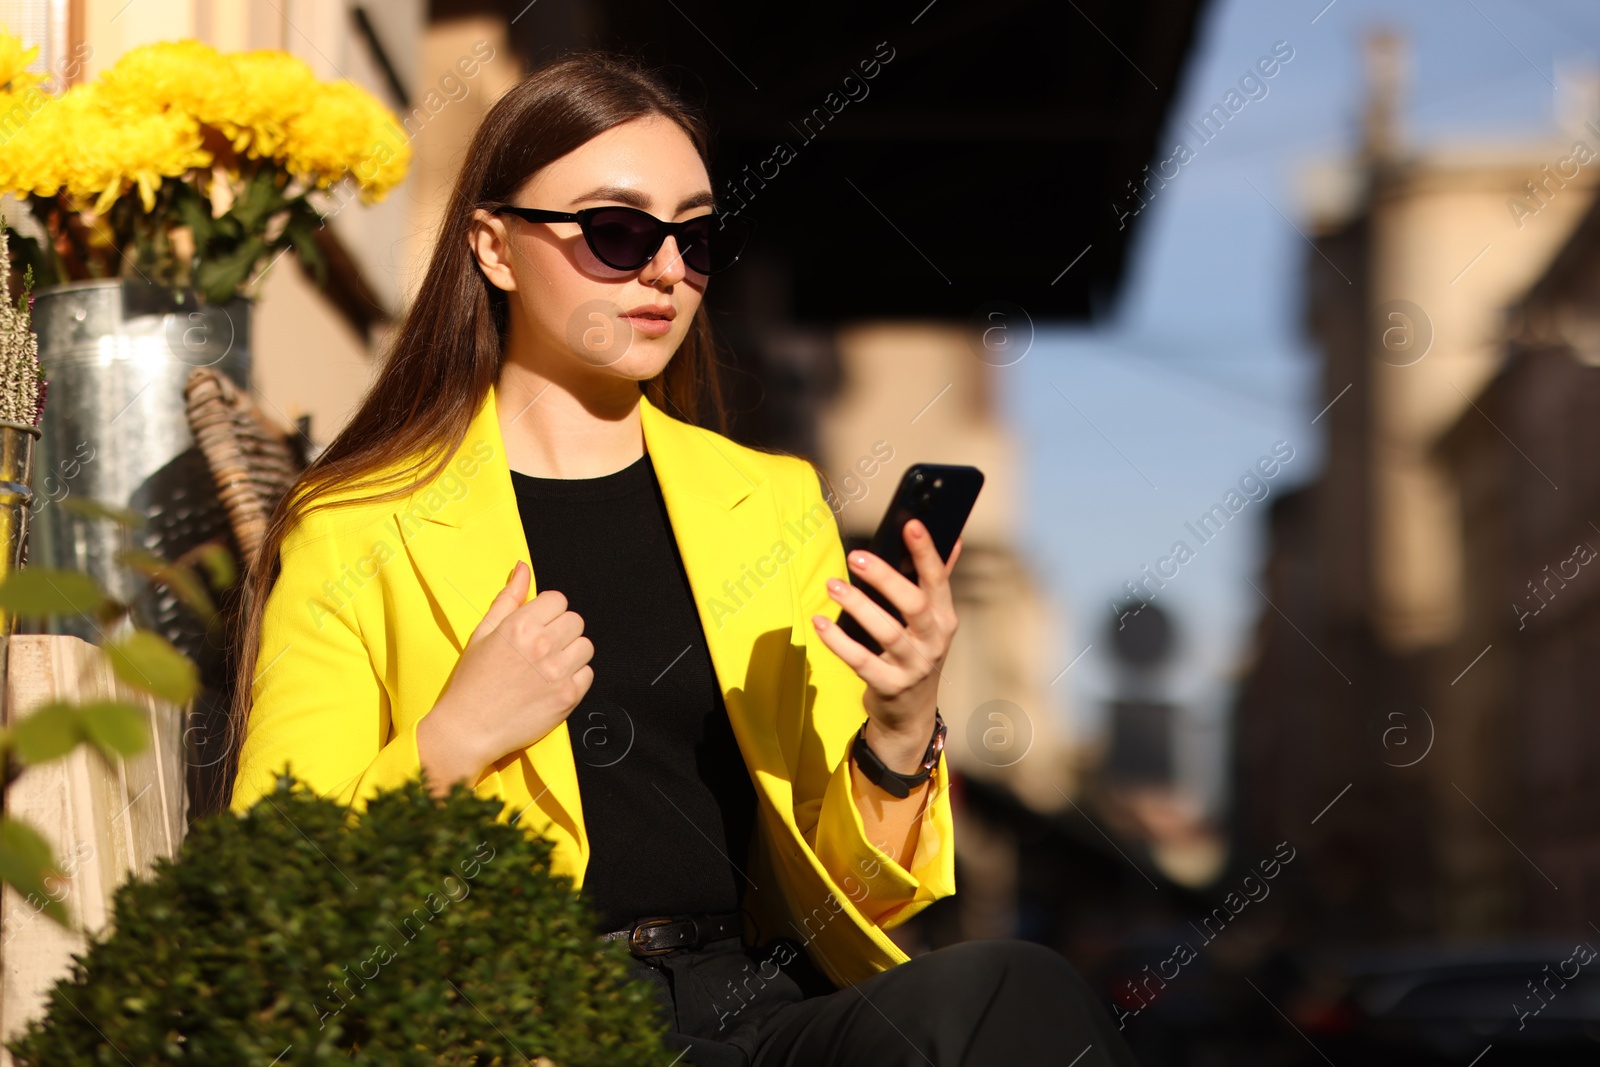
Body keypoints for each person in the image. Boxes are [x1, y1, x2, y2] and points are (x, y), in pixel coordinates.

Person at [226, 49, 1137, 1067]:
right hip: (516, 1020)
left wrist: (899, 720)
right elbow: (277, 870)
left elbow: (867, 889)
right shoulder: (359, 520)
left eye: (694, 238)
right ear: (492, 244)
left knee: (1013, 987)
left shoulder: (772, 504)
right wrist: (452, 738)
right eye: (616, 233)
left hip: (756, 1005)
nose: (666, 270)